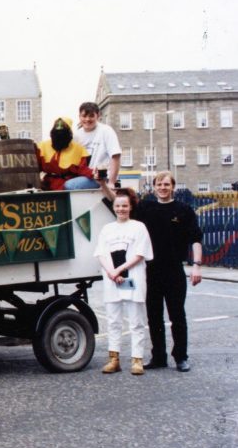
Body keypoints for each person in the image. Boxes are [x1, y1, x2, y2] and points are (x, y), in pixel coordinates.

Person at [101, 171, 203, 372]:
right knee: (154, 316)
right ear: (154, 186)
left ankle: (181, 357)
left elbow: (196, 238)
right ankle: (159, 357)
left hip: (174, 271)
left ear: (172, 186)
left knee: (177, 316)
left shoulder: (183, 210)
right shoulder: (146, 208)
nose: (163, 188)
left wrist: (197, 265)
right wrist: (102, 184)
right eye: (159, 184)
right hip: (151, 272)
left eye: (166, 184)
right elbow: (118, 202)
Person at [93, 188, 154, 375]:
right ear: (113, 207)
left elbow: (140, 254)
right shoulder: (107, 229)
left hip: (132, 279)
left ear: (130, 206)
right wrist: (112, 273)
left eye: (124, 206)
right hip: (113, 281)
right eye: (118, 205)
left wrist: (120, 270)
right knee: (113, 322)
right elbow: (101, 253)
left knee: (136, 322)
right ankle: (114, 359)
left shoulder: (138, 227)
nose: (121, 209)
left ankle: (137, 360)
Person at [69, 101, 122, 189]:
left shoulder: (106, 131)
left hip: (102, 177)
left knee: (69, 186)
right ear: (79, 117)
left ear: (98, 116)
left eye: (91, 116)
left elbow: (116, 156)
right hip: (85, 176)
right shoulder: (76, 136)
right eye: (84, 116)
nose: (87, 119)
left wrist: (111, 182)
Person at [36, 116, 94, 191]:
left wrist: (94, 174)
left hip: (67, 187)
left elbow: (83, 169)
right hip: (47, 185)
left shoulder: (78, 149)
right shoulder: (42, 147)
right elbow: (34, 168)